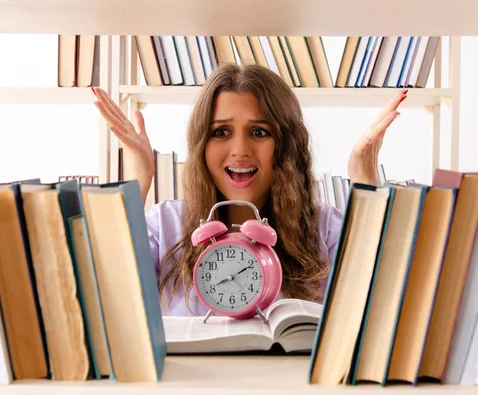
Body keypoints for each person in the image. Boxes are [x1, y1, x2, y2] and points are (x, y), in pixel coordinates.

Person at [92, 64, 406, 317]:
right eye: (221, 132)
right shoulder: (164, 225)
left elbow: (388, 302)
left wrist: (366, 184)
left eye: (259, 132)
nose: (240, 150)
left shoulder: (327, 228)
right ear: (202, 145)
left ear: (285, 144)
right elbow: (105, 298)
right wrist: (138, 179)